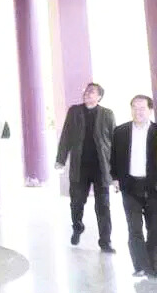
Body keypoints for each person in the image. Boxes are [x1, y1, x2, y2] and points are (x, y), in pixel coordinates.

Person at [55, 82, 116, 252]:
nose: (87, 94)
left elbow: (114, 140)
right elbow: (66, 136)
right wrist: (60, 159)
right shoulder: (74, 111)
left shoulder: (107, 114)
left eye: (92, 92)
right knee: (76, 202)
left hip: (101, 167)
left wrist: (116, 170)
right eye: (86, 92)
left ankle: (105, 241)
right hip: (80, 167)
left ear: (99, 96)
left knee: (103, 205)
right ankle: (78, 226)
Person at [110, 95, 157, 276]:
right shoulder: (120, 131)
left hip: (153, 187)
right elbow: (113, 157)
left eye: (142, 108)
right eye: (135, 108)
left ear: (150, 110)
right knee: (134, 229)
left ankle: (151, 263)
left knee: (154, 228)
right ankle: (141, 266)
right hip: (129, 186)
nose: (138, 112)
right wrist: (114, 177)